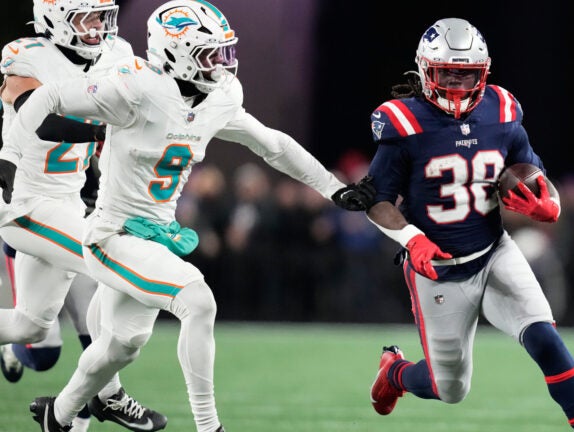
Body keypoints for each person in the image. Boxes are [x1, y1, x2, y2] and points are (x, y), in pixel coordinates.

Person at [4, 1, 374, 431]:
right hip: (112, 231)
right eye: (209, 54)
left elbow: (272, 144)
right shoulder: (135, 85)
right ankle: (209, 425)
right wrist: (9, 156)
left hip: (155, 232)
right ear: (177, 52)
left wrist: (335, 187)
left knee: (122, 344)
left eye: (223, 52)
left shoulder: (219, 96)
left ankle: (60, 415)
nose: (222, 64)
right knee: (197, 301)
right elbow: (46, 97)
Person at [364, 18, 574, 431]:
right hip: (437, 268)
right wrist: (412, 239)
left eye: (467, 74)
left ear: (484, 72)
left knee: (546, 338)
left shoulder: (502, 110)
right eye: (447, 73)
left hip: (494, 251)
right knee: (450, 389)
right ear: (426, 70)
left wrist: (547, 203)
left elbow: (534, 171)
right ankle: (395, 372)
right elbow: (377, 201)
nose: (457, 84)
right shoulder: (404, 122)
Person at [0, 1, 167, 431]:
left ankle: (84, 405)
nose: (99, 27)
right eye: (88, 18)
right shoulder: (28, 56)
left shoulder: (115, 55)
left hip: (69, 200)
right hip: (24, 201)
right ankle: (105, 397)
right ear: (57, 19)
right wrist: (110, 132)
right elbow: (40, 120)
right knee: (113, 265)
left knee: (29, 327)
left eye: (103, 17)